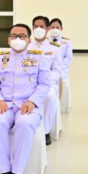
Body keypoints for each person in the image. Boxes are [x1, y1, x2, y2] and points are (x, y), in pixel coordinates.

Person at [0, 23, 50, 174]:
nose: (18, 39)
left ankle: (16, 173)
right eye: (14, 36)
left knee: (25, 124)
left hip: (28, 105)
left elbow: (44, 84)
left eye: (22, 36)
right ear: (8, 40)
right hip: (5, 104)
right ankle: (4, 172)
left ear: (29, 40)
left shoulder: (39, 58)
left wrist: (32, 101)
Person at [29, 16, 63, 145]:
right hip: (29, 83)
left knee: (49, 97)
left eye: (41, 26)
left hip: (48, 83)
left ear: (47, 28)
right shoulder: (27, 46)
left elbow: (57, 70)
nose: (38, 29)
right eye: (36, 26)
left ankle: (45, 131)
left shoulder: (55, 48)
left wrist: (46, 81)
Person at [48, 18, 73, 99]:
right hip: (48, 69)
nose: (55, 29)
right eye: (53, 27)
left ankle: (59, 101)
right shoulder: (45, 41)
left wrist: (58, 67)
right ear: (49, 28)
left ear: (61, 28)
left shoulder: (66, 42)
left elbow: (68, 57)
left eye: (57, 27)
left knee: (59, 78)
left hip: (61, 69)